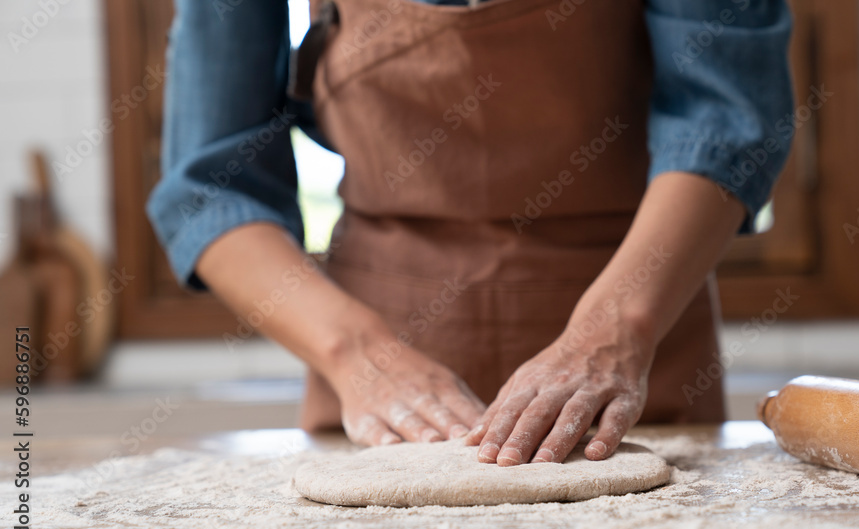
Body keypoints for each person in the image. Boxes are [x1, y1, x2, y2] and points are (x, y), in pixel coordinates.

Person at [147, 0, 794, 467]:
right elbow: (210, 185)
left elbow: (728, 123)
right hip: (377, 340)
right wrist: (357, 353)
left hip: (638, 321)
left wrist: (616, 327)